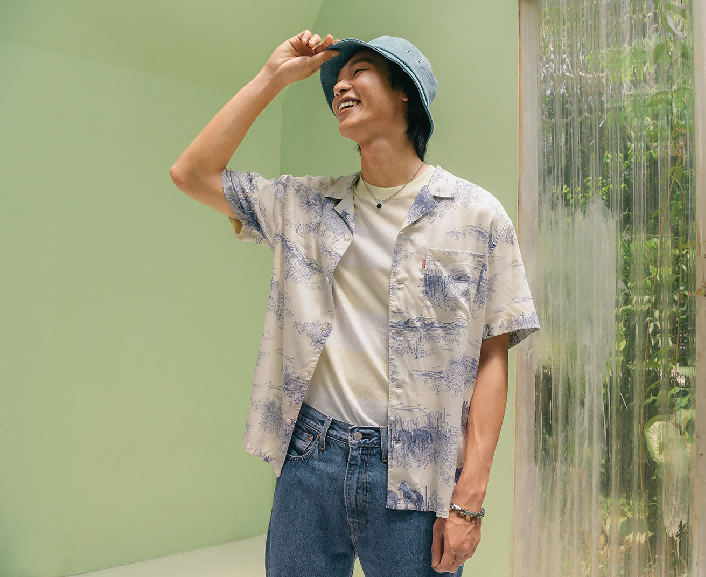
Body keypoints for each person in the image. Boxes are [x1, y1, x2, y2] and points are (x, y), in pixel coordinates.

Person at [170, 30, 538, 576]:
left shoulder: (476, 216)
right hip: (310, 457)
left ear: (406, 91)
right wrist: (271, 78)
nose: (340, 85)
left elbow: (492, 358)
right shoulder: (305, 204)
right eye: (335, 81)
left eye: (359, 70)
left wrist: (469, 498)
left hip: (417, 468)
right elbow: (191, 173)